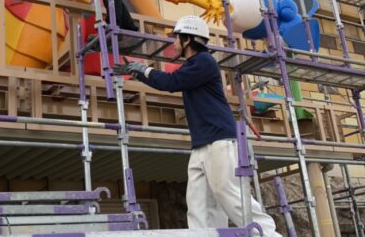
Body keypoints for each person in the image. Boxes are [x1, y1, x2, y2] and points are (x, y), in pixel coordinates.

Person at [113, 15, 281, 237]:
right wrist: (140, 72)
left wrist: (141, 71)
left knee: (228, 192)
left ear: (189, 39)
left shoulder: (204, 62)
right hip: (202, 142)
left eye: (177, 38)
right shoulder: (192, 65)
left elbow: (171, 83)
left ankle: (267, 234)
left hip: (220, 139)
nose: (174, 43)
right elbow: (171, 81)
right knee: (198, 202)